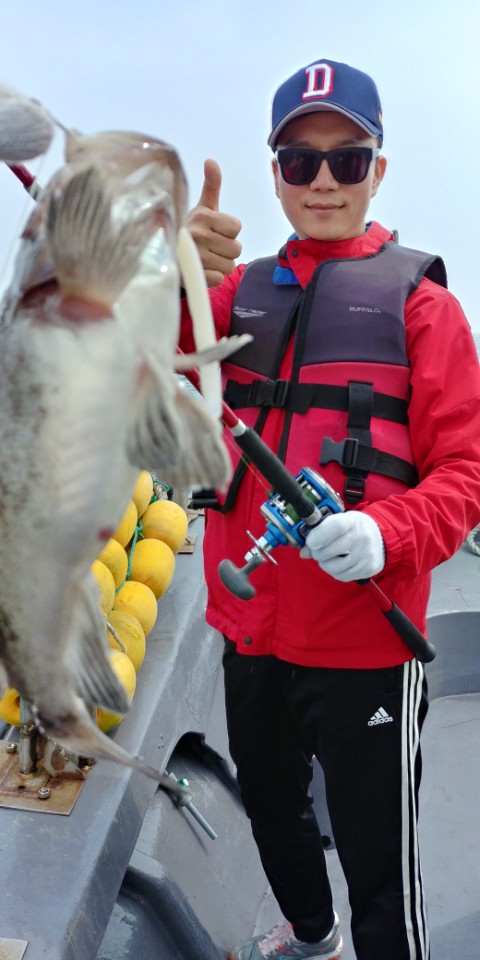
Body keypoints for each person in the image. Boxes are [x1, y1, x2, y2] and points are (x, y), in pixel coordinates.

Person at [180, 58, 480, 960]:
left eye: (346, 160)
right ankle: (314, 938)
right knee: (272, 808)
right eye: (299, 161)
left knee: (376, 856)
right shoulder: (233, 293)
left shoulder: (428, 309)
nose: (322, 181)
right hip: (250, 628)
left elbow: (465, 474)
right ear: (275, 173)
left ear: (377, 170)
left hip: (367, 642)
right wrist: (171, 275)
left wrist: (386, 531)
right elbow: (139, 355)